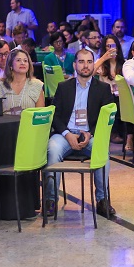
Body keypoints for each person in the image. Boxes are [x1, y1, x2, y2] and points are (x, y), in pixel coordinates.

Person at [45, 48, 116, 219]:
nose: (86, 65)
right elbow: (55, 115)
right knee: (52, 150)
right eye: (81, 62)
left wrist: (90, 133)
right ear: (75, 64)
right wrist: (67, 133)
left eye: (89, 62)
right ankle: (50, 200)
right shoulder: (64, 87)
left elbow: (106, 118)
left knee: (102, 152)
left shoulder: (103, 88)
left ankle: (102, 200)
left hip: (90, 135)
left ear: (94, 65)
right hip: (65, 135)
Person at [0, 48, 45, 113]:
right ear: (10, 64)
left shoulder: (37, 85)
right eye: (18, 60)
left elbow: (40, 115)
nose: (22, 63)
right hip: (5, 120)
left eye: (25, 61)